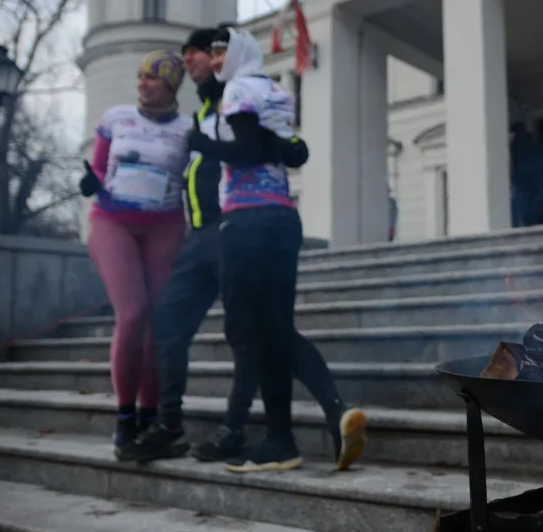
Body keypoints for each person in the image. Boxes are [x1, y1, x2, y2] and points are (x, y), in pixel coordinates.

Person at [120, 27, 367, 473]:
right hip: (227, 228)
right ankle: (299, 426)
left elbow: (278, 147)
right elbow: (282, 146)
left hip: (240, 225)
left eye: (208, 52)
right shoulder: (236, 96)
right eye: (199, 54)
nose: (200, 61)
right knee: (258, 331)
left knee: (255, 333)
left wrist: (222, 142)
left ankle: (250, 429)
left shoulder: (235, 91)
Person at [78, 50, 190, 458]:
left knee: (157, 323)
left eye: (152, 79)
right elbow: (100, 168)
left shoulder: (187, 129)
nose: (142, 84)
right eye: (140, 76)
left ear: (172, 87)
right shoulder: (116, 118)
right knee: (132, 312)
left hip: (165, 226)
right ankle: (125, 418)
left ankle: (149, 415)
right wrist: (90, 181)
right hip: (114, 222)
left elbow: (194, 182)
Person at [508, 122, 543, 227]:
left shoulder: (518, 147)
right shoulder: (531, 146)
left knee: (521, 218)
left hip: (522, 188)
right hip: (532, 189)